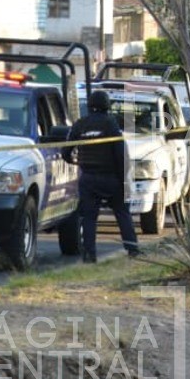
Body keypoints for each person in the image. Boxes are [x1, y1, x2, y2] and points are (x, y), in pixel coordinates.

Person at [63, 89, 140, 262]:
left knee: (89, 217)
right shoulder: (111, 125)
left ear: (89, 106)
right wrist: (123, 180)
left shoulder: (80, 124)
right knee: (122, 212)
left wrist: (75, 161)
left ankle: (89, 255)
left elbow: (66, 150)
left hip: (89, 178)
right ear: (107, 107)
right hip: (112, 177)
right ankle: (132, 249)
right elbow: (121, 154)